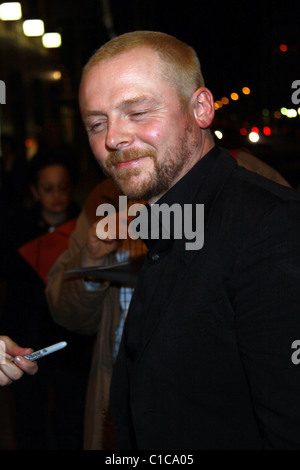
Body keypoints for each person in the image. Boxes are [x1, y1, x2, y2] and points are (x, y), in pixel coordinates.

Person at [76, 30, 300, 450]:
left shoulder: (271, 227)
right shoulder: (165, 227)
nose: (113, 138)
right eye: (97, 123)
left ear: (200, 108)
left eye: (138, 112)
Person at [0, 150, 93, 450]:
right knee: (29, 419)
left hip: (71, 343)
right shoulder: (16, 228)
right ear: (34, 191)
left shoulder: (88, 227)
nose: (56, 196)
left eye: (62, 187)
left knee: (73, 418)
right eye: (48, 188)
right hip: (25, 337)